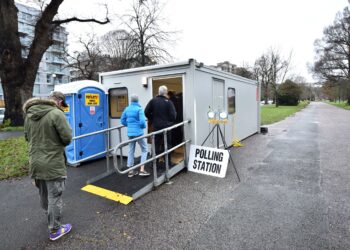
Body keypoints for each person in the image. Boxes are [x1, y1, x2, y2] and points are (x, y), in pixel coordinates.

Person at [23, 91, 72, 241]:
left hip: (35, 162)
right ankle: (55, 229)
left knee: (44, 194)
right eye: (61, 104)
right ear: (57, 101)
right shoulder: (57, 114)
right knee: (55, 195)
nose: (61, 107)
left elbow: (27, 137)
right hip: (52, 163)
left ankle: (50, 217)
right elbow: (67, 138)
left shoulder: (30, 115)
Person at [145, 85, 177, 166]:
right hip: (166, 127)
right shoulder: (169, 102)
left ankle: (154, 163)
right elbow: (173, 116)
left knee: (156, 145)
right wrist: (169, 122)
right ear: (165, 93)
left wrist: (152, 119)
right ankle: (168, 162)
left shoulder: (153, 101)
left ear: (158, 92)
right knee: (167, 144)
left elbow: (146, 112)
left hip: (156, 127)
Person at [121, 94, 150, 177]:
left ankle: (130, 171)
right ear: (137, 100)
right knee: (144, 149)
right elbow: (142, 122)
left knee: (131, 150)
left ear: (131, 100)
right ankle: (142, 170)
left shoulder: (127, 109)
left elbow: (122, 120)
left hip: (130, 133)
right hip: (138, 133)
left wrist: (129, 125)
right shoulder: (139, 109)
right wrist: (142, 127)